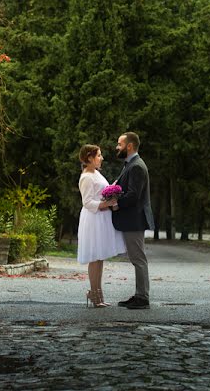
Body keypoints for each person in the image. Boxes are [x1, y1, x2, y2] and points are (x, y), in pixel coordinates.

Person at [77, 144, 126, 307]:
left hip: (101, 218)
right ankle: (94, 294)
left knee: (100, 258)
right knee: (94, 258)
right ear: (90, 158)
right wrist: (107, 203)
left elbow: (100, 192)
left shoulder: (96, 173)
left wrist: (112, 189)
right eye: (99, 155)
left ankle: (97, 294)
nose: (102, 158)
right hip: (93, 219)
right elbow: (87, 202)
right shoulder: (86, 177)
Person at [111, 132, 154, 309]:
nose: (117, 147)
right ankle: (139, 294)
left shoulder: (136, 166)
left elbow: (133, 196)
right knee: (137, 258)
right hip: (132, 219)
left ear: (129, 146)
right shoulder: (131, 164)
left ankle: (142, 298)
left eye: (119, 144)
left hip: (134, 219)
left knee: (138, 258)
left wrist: (116, 204)